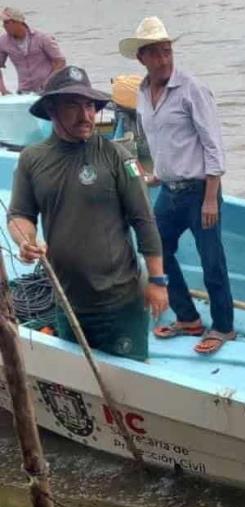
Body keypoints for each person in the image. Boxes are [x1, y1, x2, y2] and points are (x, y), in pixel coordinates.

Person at [6, 65, 169, 362]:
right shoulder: (32, 160)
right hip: (68, 303)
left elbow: (144, 221)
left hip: (120, 303)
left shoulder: (116, 156)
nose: (86, 114)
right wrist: (26, 241)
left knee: (127, 383)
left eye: (90, 105)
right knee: (81, 377)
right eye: (74, 106)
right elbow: (19, 214)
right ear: (52, 110)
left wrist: (157, 282)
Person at [119, 16, 235, 355]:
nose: (163, 59)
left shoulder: (192, 90)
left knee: (212, 260)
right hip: (169, 191)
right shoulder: (141, 92)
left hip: (201, 192)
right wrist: (158, 173)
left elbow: (213, 145)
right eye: (155, 54)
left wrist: (211, 199)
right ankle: (188, 318)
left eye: (167, 51)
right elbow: (161, 140)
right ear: (141, 58)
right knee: (156, 248)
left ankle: (224, 326)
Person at [0, 7, 65, 95]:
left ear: (18, 22)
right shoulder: (3, 42)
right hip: (24, 91)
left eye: (7, 22)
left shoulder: (42, 38)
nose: (3, 26)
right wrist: (3, 90)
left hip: (49, 90)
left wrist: (49, 81)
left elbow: (60, 61)